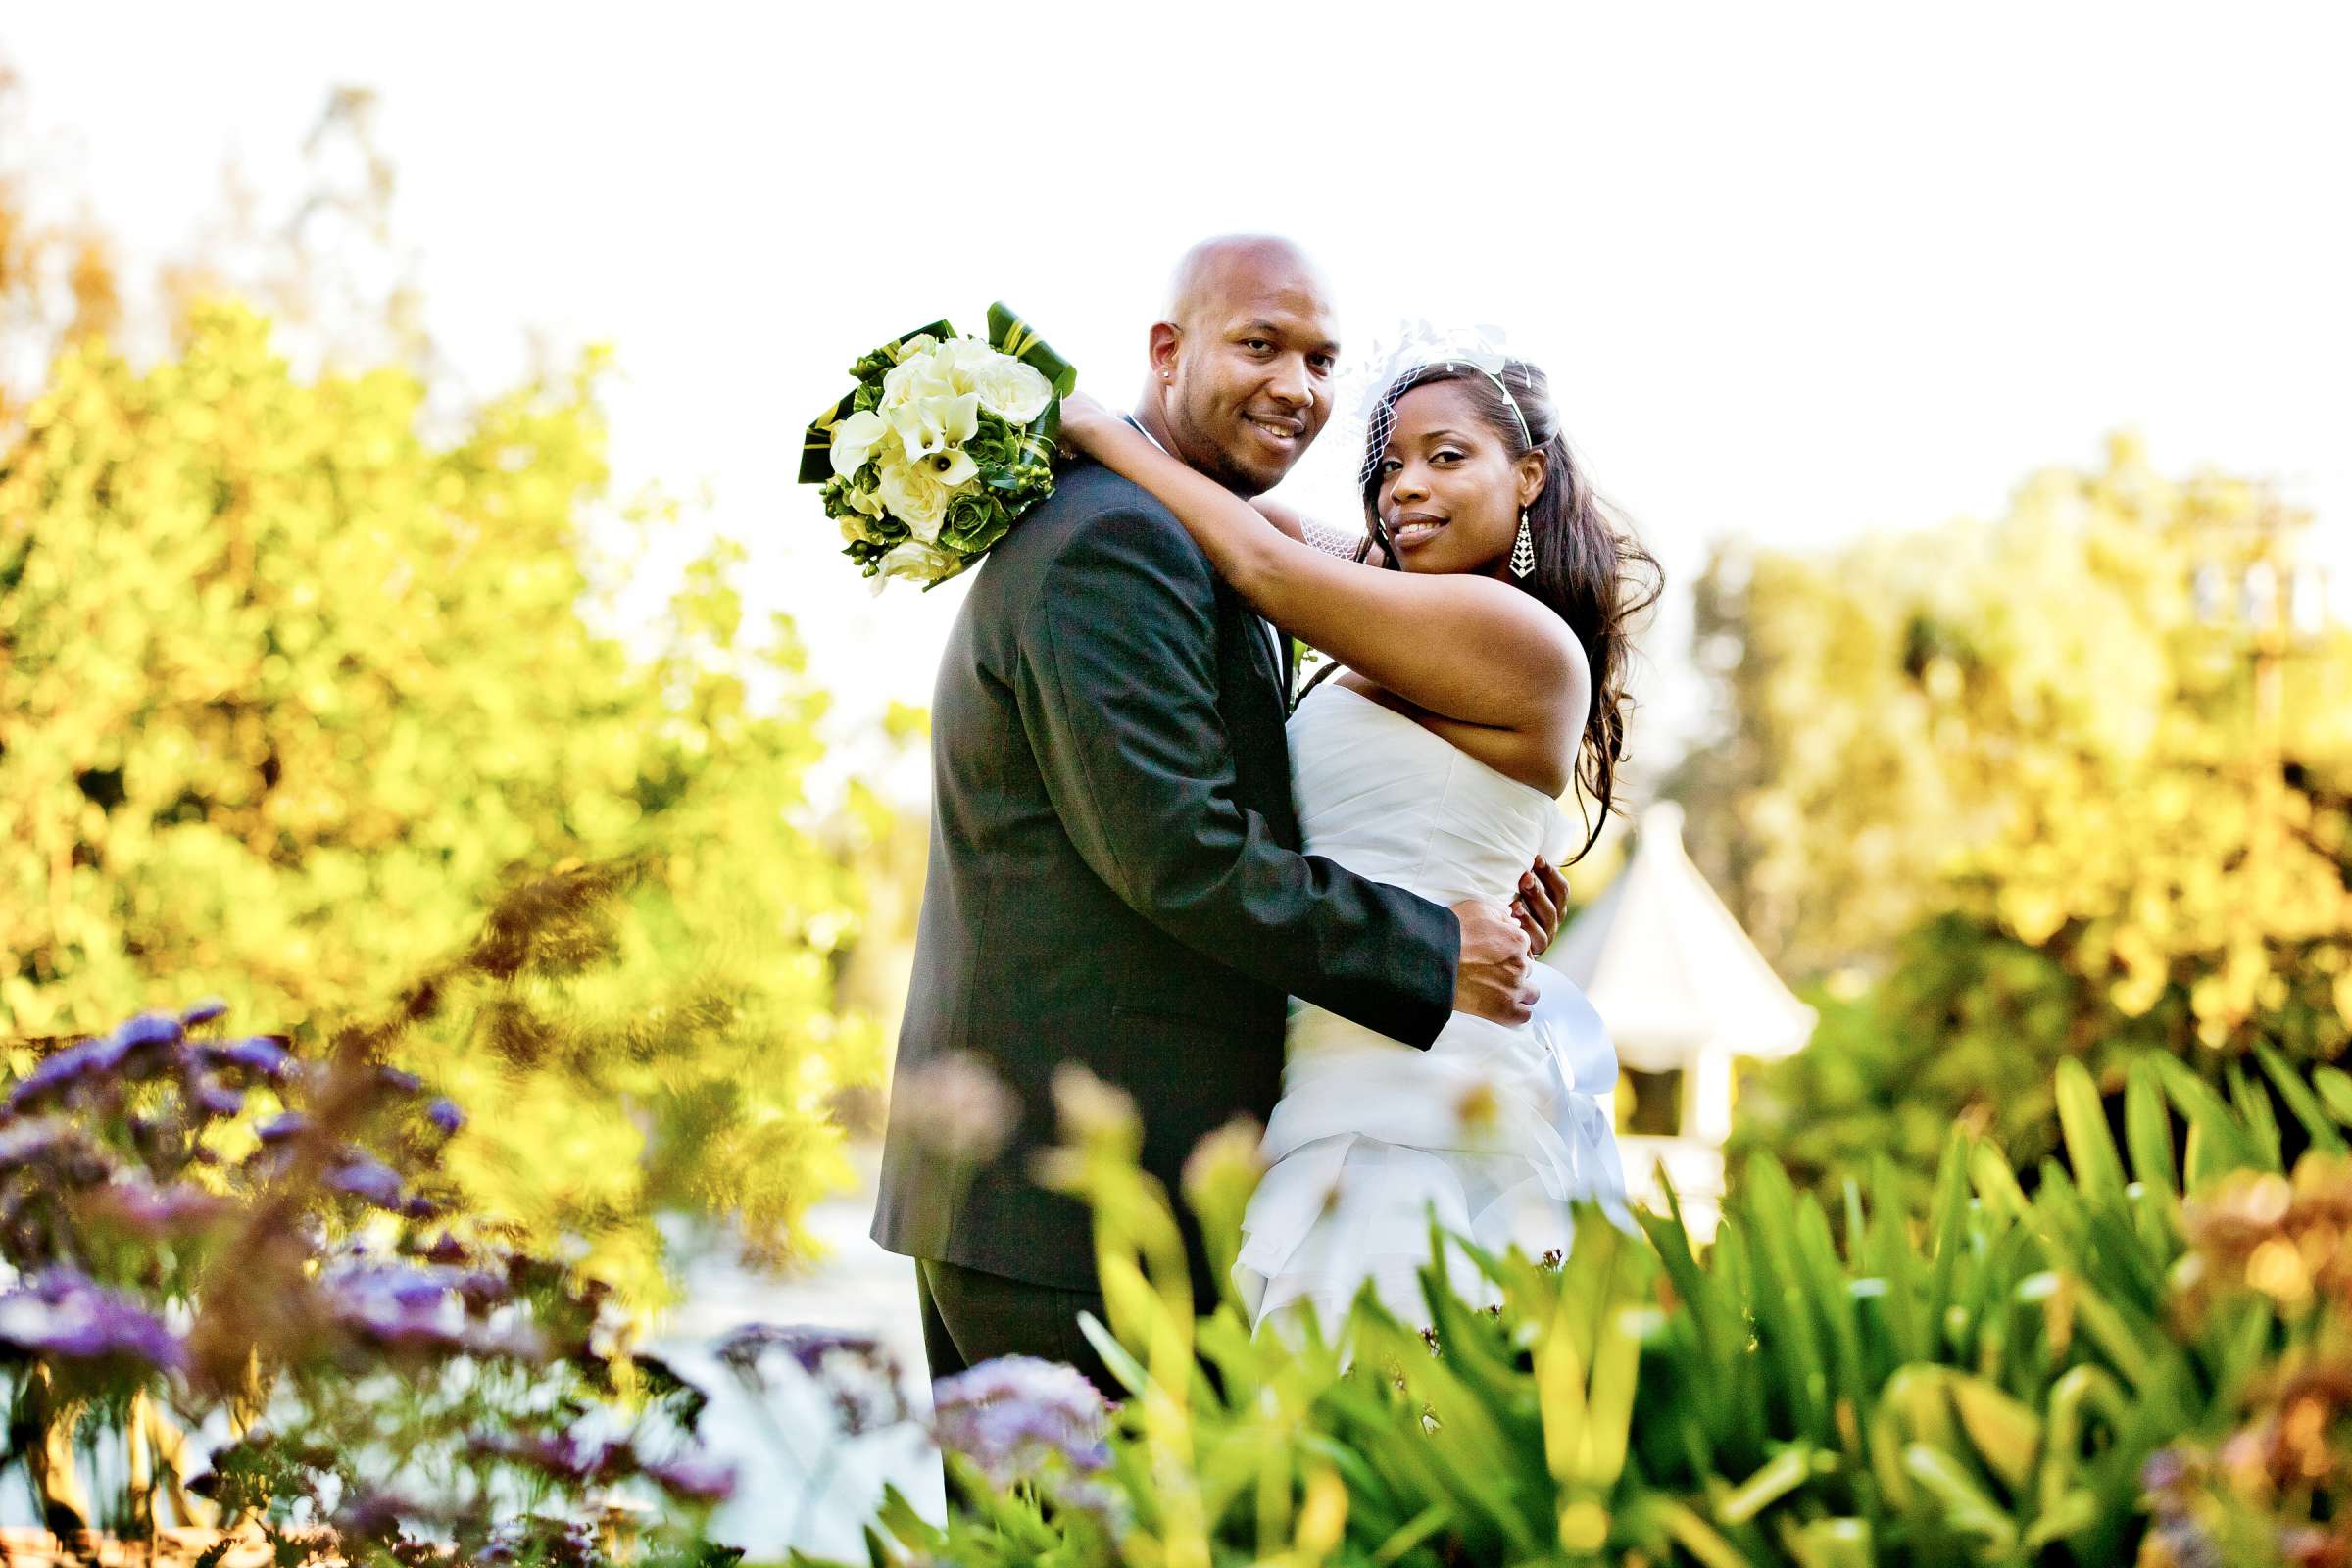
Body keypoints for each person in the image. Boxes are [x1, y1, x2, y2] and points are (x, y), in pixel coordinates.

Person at [870, 237, 1567, 1392]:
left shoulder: (1194, 541)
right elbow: (1181, 854)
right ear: (1166, 350)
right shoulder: (1117, 541)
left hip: (1181, 1178)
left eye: (1322, 358)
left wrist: (1491, 845)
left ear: (1530, 476)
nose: (1296, 386)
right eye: (1260, 345)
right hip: (1068, 1204)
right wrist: (1431, 942)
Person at [1055, 326, 1659, 1332]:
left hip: (1425, 1112)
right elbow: (1275, 531)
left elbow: (1262, 565)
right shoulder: (1406, 604)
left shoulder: (1520, 638)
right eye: (1389, 465)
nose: (1405, 486)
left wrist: (1094, 427)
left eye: (1446, 456)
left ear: (1530, 476)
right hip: (1332, 1085)